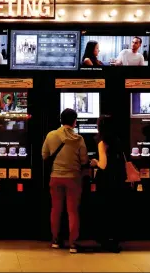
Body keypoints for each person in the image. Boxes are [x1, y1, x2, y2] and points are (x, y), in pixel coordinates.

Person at [42, 108, 89, 253]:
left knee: (56, 209)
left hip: (55, 177)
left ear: (61, 120)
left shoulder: (51, 135)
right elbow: (84, 159)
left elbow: (44, 155)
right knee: (73, 211)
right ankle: (73, 244)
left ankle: (56, 240)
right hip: (73, 179)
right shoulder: (79, 139)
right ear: (75, 122)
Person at [90, 115, 126, 253]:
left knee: (104, 210)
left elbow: (103, 165)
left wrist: (95, 162)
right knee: (115, 210)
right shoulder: (118, 140)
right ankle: (115, 240)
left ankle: (105, 241)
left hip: (106, 181)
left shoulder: (102, 142)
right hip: (118, 180)